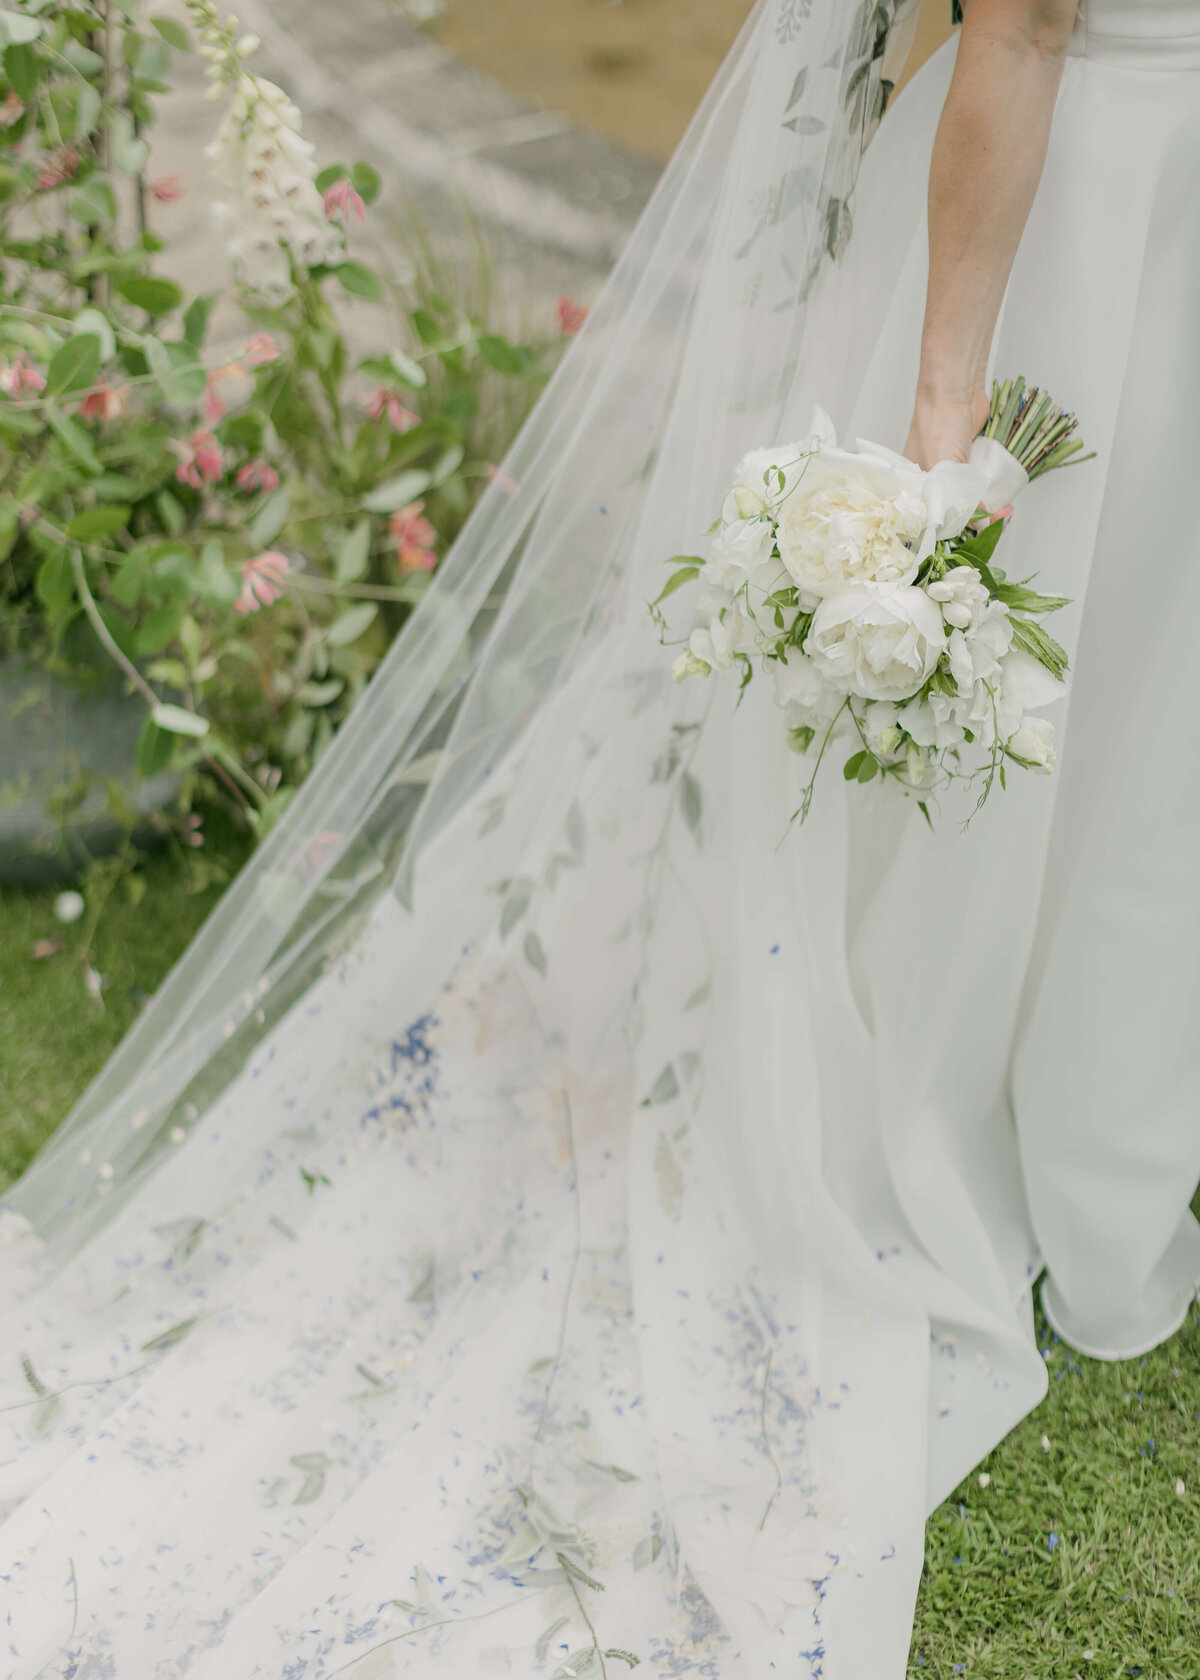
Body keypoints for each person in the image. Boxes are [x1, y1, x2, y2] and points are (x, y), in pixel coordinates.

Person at [2, 0, 1197, 1673]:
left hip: (1134, 203)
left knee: (1128, 718)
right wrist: (941, 409)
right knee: (1074, 706)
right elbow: (1019, 28)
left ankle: (1078, 1123)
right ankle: (1021, 1124)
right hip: (1077, 239)